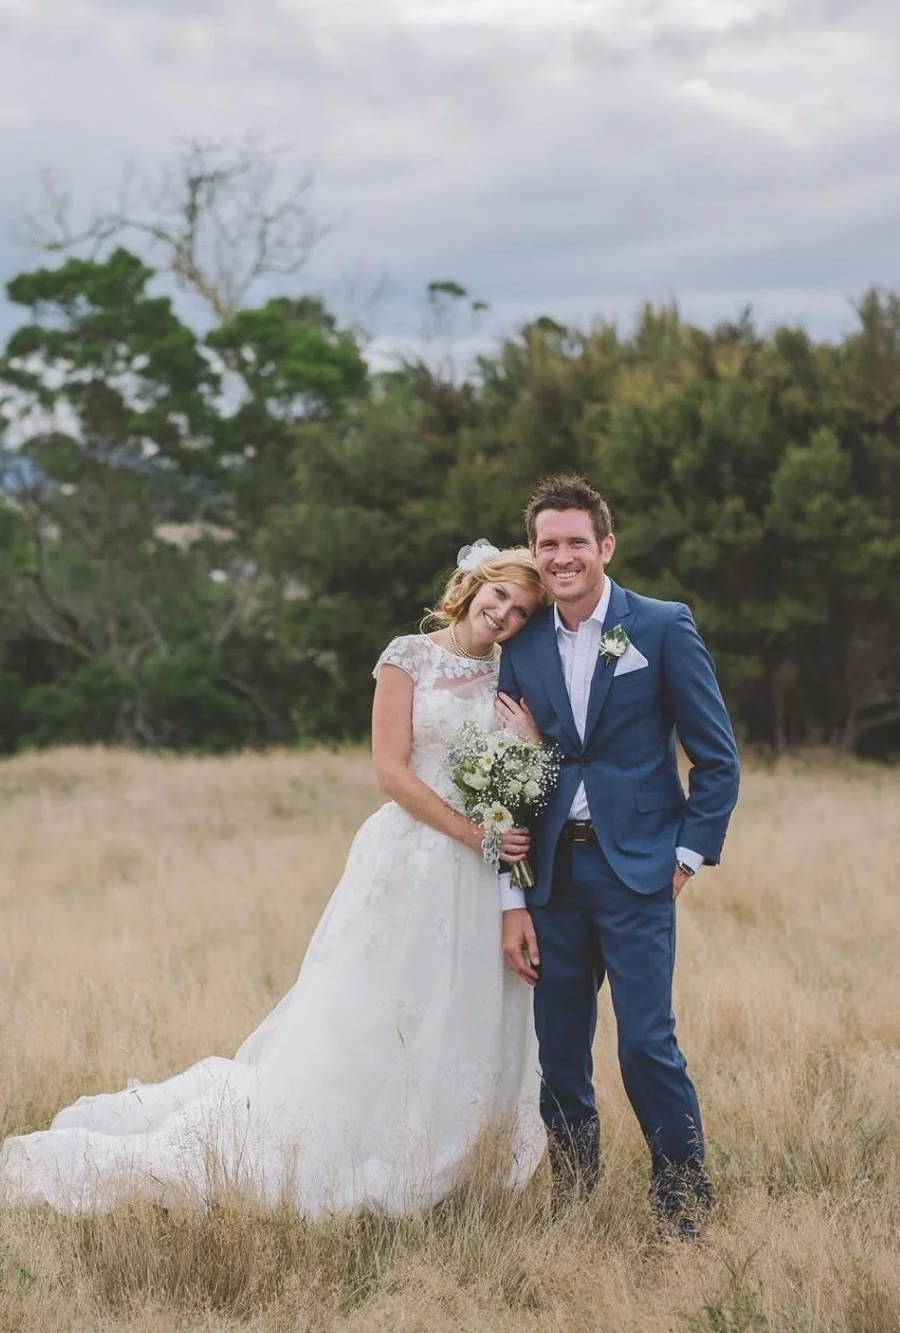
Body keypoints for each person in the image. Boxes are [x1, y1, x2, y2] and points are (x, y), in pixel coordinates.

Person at [1, 545, 549, 1217]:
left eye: (521, 611)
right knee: (377, 1006)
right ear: (474, 586)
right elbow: (390, 771)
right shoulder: (408, 655)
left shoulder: (509, 672)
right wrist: (471, 834)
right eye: (499, 597)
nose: (504, 615)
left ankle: (446, 1159)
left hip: (479, 874)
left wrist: (529, 749)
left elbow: (515, 773)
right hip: (412, 857)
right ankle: (339, 1141)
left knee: (459, 1006)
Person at [493, 476, 741, 1240]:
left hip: (638, 871)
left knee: (644, 1042)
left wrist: (687, 856)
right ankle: (573, 1197)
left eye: (575, 542)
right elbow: (506, 773)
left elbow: (717, 758)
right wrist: (511, 898)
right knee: (560, 1050)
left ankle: (682, 1201)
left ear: (605, 545)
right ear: (534, 554)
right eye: (547, 544)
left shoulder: (661, 626)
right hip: (551, 876)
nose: (561, 557)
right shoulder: (524, 641)